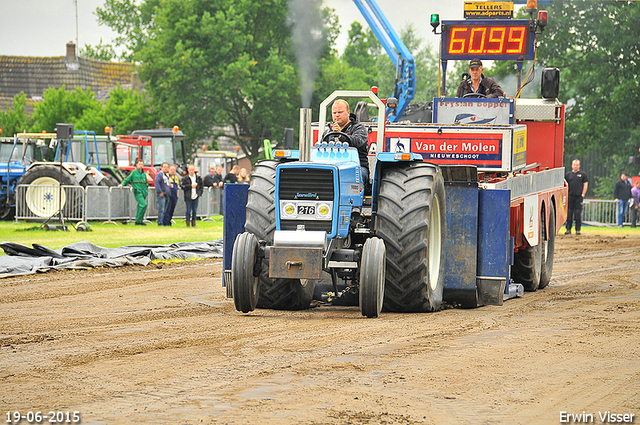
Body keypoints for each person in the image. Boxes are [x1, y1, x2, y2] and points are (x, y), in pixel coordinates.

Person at [322, 99, 370, 182]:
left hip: (357, 167)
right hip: (332, 166)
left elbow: (358, 141)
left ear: (348, 112)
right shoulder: (327, 133)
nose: (337, 115)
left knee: (356, 175)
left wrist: (340, 135)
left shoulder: (358, 128)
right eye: (334, 113)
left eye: (340, 112)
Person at [118, 159, 148, 226]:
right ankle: (138, 220)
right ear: (136, 165)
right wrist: (122, 184)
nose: (141, 166)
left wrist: (146, 189)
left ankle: (139, 221)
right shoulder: (134, 172)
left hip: (144, 191)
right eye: (139, 164)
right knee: (143, 204)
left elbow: (146, 182)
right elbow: (127, 179)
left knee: (140, 206)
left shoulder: (143, 173)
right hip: (138, 191)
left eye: (142, 164)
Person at [565, 159, 588, 235]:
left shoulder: (583, 175)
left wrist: (582, 195)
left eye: (577, 165)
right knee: (569, 213)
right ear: (572, 165)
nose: (575, 166)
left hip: (578, 197)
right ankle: (568, 229)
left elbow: (585, 184)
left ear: (579, 166)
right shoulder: (568, 175)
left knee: (577, 214)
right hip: (570, 196)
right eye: (574, 165)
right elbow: (565, 185)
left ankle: (578, 229)